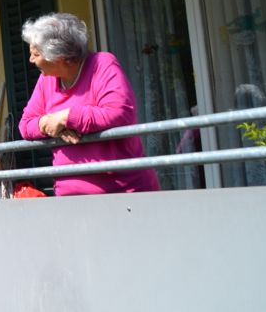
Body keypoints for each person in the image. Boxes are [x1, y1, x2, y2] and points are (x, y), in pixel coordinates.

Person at [18, 13, 160, 195]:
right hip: (71, 198)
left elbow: (120, 112)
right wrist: (49, 124)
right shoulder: (46, 80)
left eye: (36, 54)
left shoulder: (102, 64)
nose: (31, 60)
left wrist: (68, 117)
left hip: (123, 193)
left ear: (58, 55)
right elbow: (25, 125)